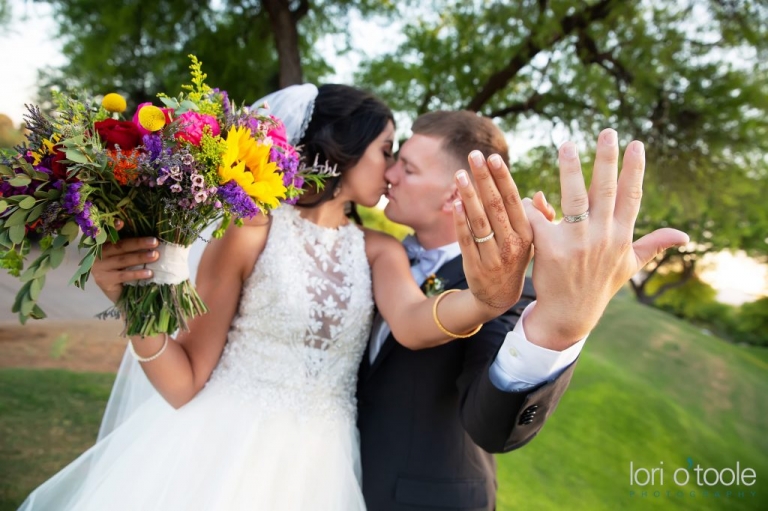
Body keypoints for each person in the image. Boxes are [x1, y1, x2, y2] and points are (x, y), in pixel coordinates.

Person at [18, 85, 535, 510]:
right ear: (342, 149)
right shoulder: (249, 232)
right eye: (386, 150)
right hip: (218, 451)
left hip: (322, 469)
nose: (393, 167)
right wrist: (135, 309)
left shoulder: (378, 250)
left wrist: (487, 301)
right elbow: (185, 382)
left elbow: (412, 323)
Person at [357, 110, 689, 510]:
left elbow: (492, 428)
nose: (390, 173)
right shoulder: (368, 250)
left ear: (453, 195)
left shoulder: (504, 290)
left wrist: (557, 328)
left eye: (407, 169)